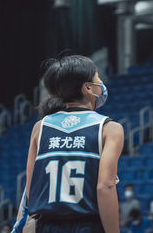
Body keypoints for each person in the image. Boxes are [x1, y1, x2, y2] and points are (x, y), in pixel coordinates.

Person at [22, 55, 124, 233]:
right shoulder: (109, 128)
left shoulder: (40, 127)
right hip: (87, 225)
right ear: (87, 87)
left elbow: (31, 188)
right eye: (98, 78)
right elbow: (105, 186)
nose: (101, 83)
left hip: (47, 226)